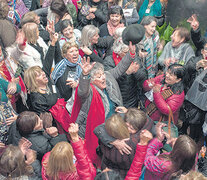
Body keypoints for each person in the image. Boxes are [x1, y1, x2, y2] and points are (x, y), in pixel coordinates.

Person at [67, 41, 136, 165]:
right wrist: (85, 75)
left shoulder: (108, 77)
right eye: (98, 76)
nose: (103, 77)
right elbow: (82, 91)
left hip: (114, 125)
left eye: (102, 74)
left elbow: (120, 68)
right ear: (92, 81)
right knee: (97, 156)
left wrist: (131, 54)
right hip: (95, 130)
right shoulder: (89, 92)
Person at [94, 109, 153, 178]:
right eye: (127, 126)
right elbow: (148, 121)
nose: (128, 129)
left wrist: (130, 114)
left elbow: (98, 129)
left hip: (107, 171)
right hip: (124, 174)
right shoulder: (133, 142)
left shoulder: (103, 139)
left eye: (131, 128)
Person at [104, 37, 145, 108]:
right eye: (126, 52)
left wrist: (135, 72)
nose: (128, 54)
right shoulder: (109, 61)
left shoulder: (134, 57)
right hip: (117, 98)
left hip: (132, 98)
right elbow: (109, 81)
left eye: (129, 51)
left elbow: (143, 76)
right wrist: (126, 73)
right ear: (118, 51)